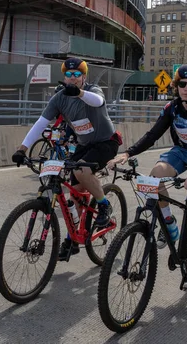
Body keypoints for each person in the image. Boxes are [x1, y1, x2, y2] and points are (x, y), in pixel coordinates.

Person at [108, 65, 187, 291]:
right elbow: (153, 135)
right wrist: (128, 153)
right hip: (180, 152)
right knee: (154, 176)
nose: (186, 89)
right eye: (182, 84)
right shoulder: (172, 108)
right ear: (176, 86)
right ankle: (169, 224)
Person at [12, 57, 121, 260]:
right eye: (68, 75)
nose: (72, 78)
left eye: (76, 75)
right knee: (76, 194)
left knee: (81, 170)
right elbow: (41, 123)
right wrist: (22, 149)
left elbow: (98, 102)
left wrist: (79, 93)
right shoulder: (60, 98)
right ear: (64, 77)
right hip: (84, 145)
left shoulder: (92, 90)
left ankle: (104, 204)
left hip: (106, 143)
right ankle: (74, 238)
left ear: (83, 77)